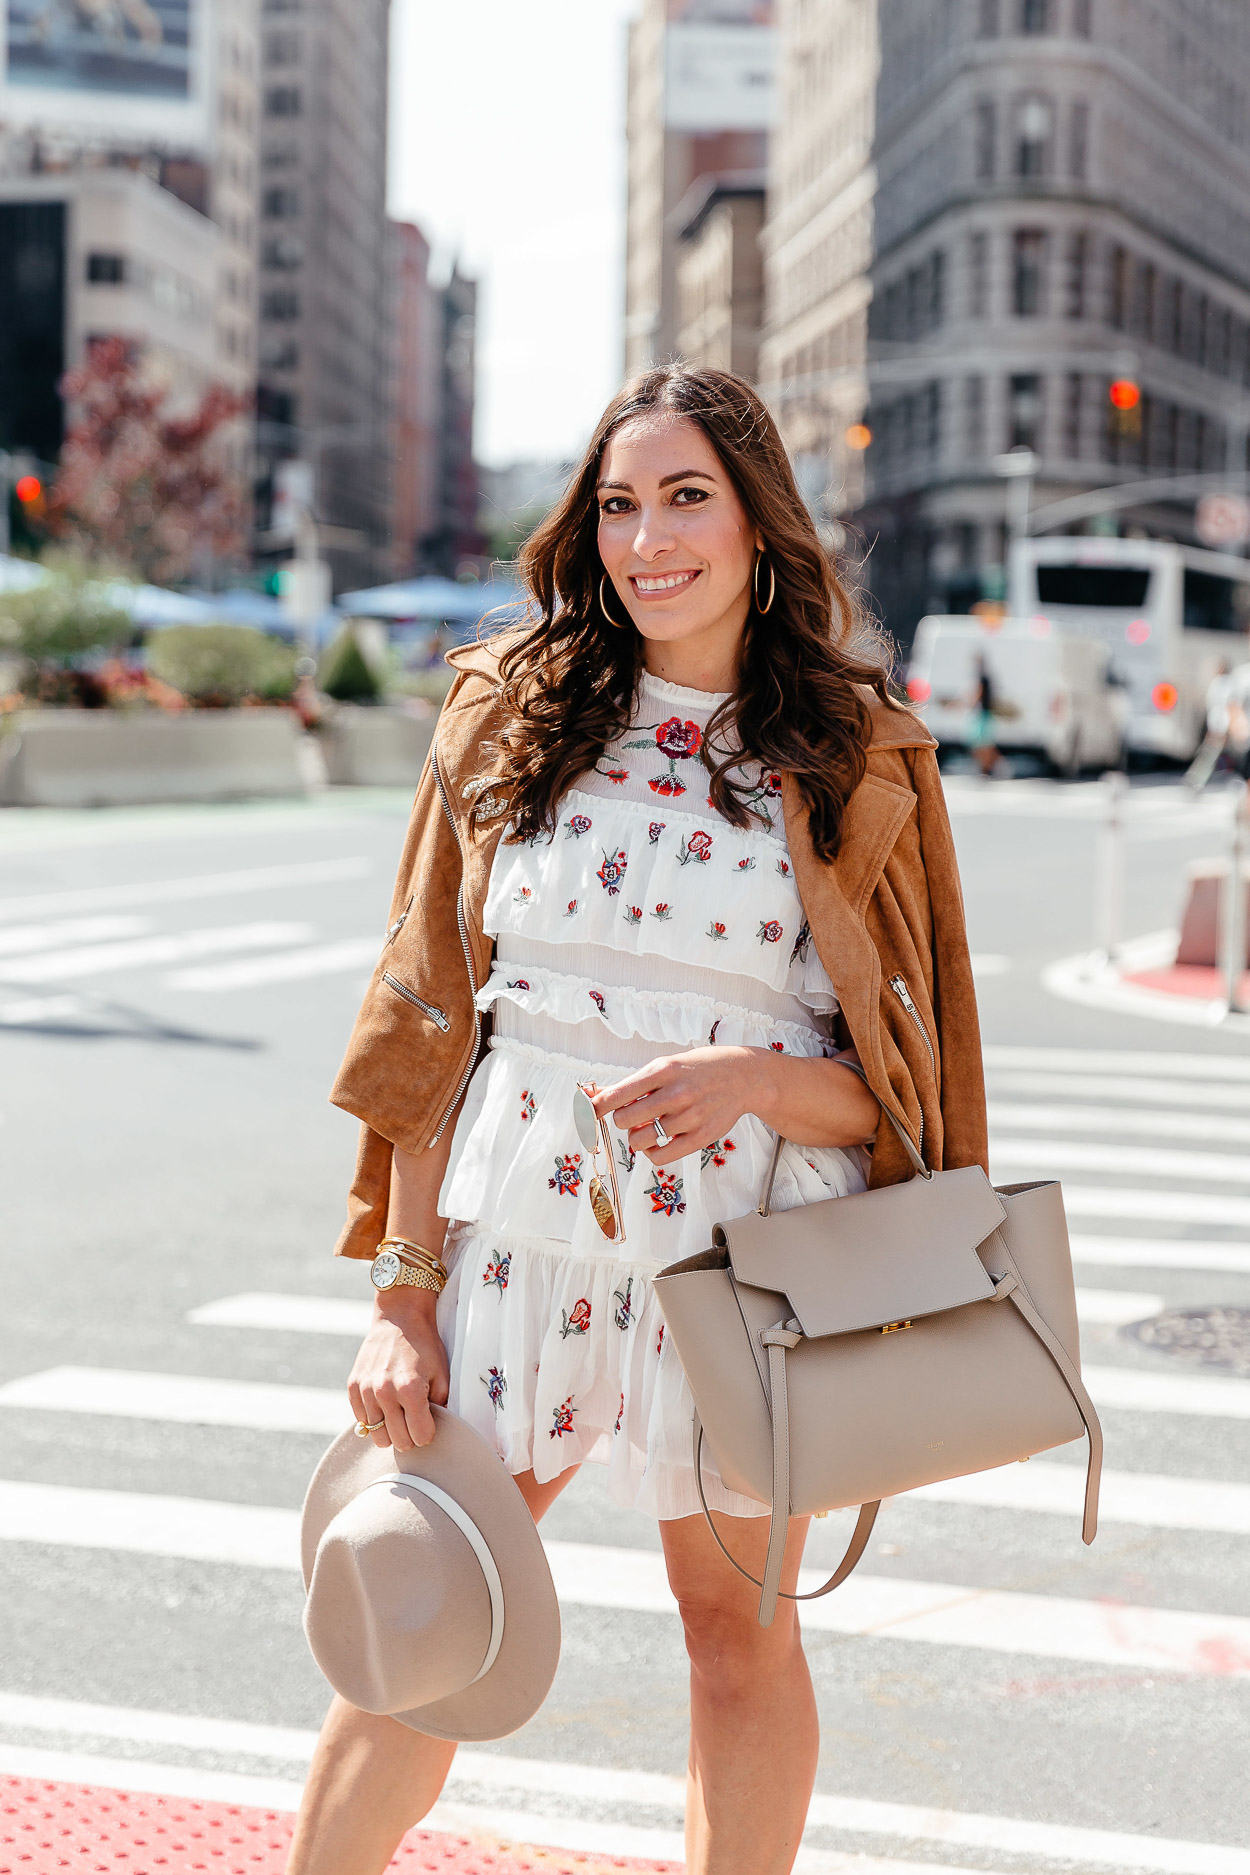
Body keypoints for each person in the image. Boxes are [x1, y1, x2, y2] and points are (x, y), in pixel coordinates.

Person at [286, 365, 988, 1875]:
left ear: (756, 522)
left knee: (733, 1628)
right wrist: (399, 1293)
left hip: (743, 1253)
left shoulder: (857, 752)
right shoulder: (506, 710)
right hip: (517, 1226)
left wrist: (753, 1080)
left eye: (685, 498)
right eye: (617, 504)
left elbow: (901, 1093)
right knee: (419, 1597)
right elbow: (427, 1022)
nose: (647, 539)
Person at [967, 654, 999, 778]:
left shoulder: (982, 677)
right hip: (986, 713)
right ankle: (986, 767)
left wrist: (971, 705)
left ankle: (988, 767)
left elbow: (979, 693)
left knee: (980, 743)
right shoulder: (987, 677)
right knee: (984, 743)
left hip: (983, 713)